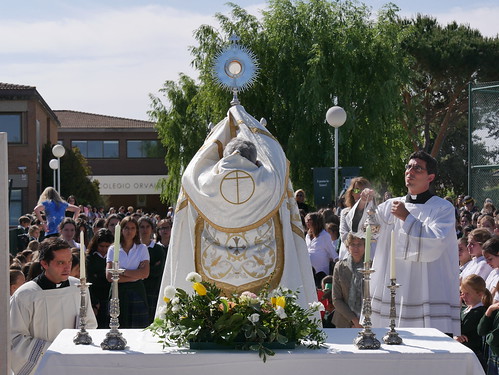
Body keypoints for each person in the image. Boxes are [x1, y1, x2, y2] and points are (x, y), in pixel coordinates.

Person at [156, 105, 318, 316]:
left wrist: (217, 134)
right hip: (264, 274)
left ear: (225, 155)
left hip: (213, 274)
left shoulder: (203, 183)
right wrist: (254, 128)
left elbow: (190, 174)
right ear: (255, 159)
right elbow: (277, 159)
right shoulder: (270, 181)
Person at [356, 150, 460, 334]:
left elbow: (435, 243)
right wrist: (364, 205)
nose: (410, 172)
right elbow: (364, 231)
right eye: (409, 167)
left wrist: (407, 218)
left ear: (430, 177)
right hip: (390, 286)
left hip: (427, 287)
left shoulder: (442, 208)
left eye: (418, 169)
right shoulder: (389, 206)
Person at [10, 237, 97, 374]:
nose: (67, 267)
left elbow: (89, 324)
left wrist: (77, 348)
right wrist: (54, 353)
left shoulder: (79, 287)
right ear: (44, 263)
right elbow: (15, 339)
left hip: (73, 362)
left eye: (69, 261)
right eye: (60, 263)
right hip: (42, 366)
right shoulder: (26, 295)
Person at [106, 216, 150, 328]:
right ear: (121, 230)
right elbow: (110, 276)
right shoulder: (113, 249)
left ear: (136, 231)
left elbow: (145, 273)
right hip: (118, 291)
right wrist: (136, 275)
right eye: (126, 228)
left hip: (137, 291)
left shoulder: (142, 248)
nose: (129, 231)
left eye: (133, 228)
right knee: (118, 325)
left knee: (138, 328)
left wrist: (121, 272)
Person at [455, 274, 492, 369]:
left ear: (479, 294)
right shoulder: (466, 309)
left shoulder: (478, 312)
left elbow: (460, 328)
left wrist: (456, 310)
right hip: (464, 353)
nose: (463, 296)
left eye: (467, 293)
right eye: (462, 293)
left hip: (473, 357)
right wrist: (455, 336)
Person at [332, 233, 365, 328]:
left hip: (367, 322)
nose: (356, 248)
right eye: (352, 245)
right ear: (347, 247)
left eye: (359, 244)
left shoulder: (371, 267)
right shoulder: (340, 267)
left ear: (365, 246)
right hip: (343, 321)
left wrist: (362, 321)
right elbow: (336, 299)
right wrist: (354, 321)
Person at [138, 216, 166, 323]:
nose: (144, 230)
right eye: (142, 227)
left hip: (152, 289)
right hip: (138, 289)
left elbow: (157, 271)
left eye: (147, 227)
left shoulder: (158, 249)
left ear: (152, 229)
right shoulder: (135, 248)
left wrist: (142, 270)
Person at [339, 177, 371, 260]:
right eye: (356, 190)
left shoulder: (373, 212)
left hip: (369, 253)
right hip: (348, 253)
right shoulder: (345, 212)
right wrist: (355, 245)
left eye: (363, 190)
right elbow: (344, 235)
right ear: (352, 193)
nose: (360, 193)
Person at [87, 228, 113, 328]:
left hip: (110, 296)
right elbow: (90, 279)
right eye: (101, 246)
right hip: (95, 296)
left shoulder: (113, 257)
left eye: (107, 246)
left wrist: (99, 275)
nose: (104, 249)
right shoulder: (90, 258)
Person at [305, 212, 339, 288]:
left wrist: (339, 264)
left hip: (321, 271)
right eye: (306, 220)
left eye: (309, 220)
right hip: (308, 269)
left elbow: (332, 252)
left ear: (316, 221)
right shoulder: (307, 235)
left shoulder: (325, 235)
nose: (307, 222)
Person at [478, 298, 499, 374]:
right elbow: (481, 331)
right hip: (493, 355)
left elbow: (493, 340)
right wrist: (489, 310)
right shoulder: (495, 309)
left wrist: (488, 335)